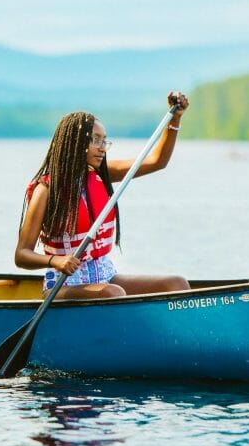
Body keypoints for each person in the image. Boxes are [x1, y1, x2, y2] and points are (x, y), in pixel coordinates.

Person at [14, 92, 191, 299]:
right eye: (96, 140)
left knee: (177, 283)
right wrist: (56, 261)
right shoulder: (45, 190)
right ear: (75, 143)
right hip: (63, 284)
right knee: (113, 293)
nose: (102, 148)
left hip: (105, 275)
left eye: (104, 141)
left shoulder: (101, 174)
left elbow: (157, 161)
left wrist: (175, 118)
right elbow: (21, 255)